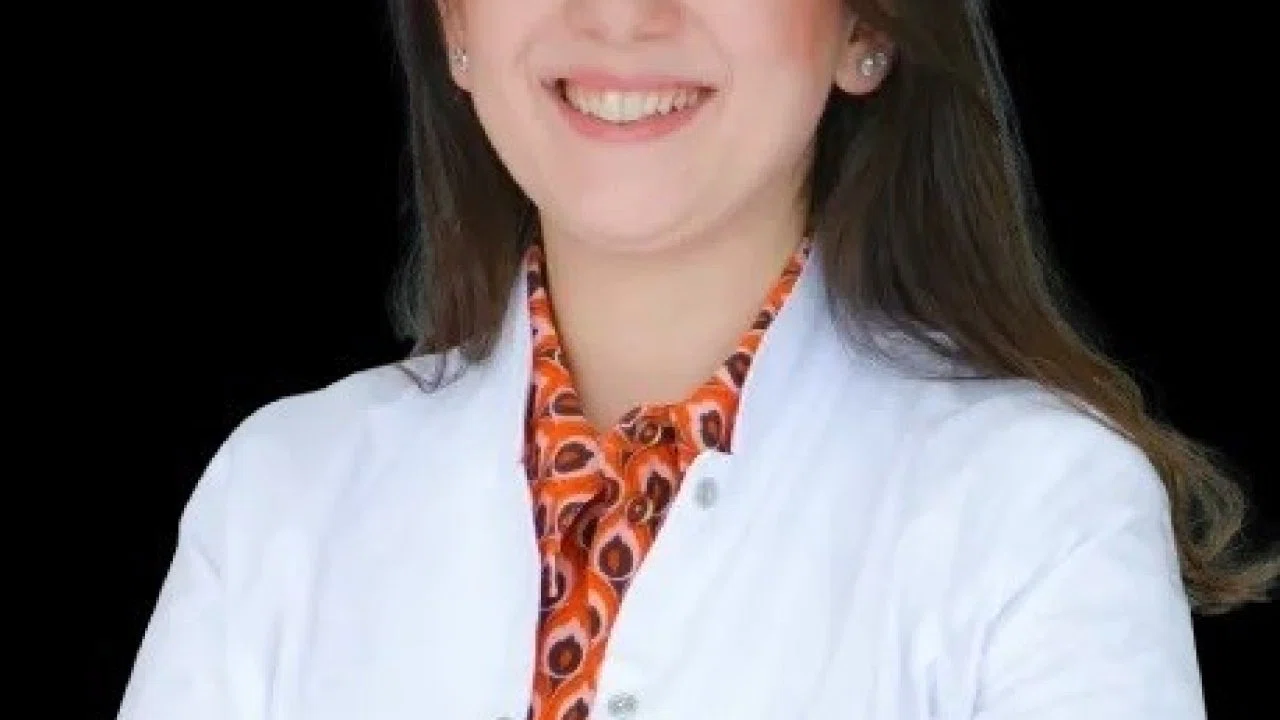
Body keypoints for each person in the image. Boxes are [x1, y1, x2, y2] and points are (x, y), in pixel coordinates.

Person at [118, 0, 1277, 718]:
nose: (622, 15)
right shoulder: (278, 497)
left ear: (866, 30)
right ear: (454, 25)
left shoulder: (1040, 512)